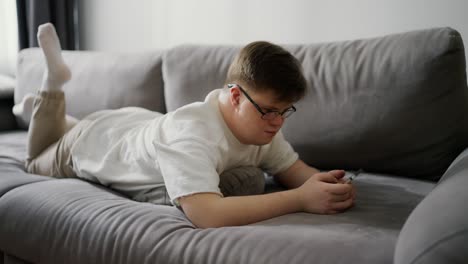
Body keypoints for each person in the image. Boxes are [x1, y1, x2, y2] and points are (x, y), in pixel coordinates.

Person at [13, 23, 356, 229]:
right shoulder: (193, 134)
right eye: (269, 111)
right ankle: (52, 86)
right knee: (35, 159)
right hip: (89, 144)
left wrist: (327, 185)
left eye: (285, 111)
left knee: (249, 179)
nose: (278, 122)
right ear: (235, 96)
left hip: (133, 125)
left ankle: (45, 112)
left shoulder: (262, 126)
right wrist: (299, 200)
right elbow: (206, 214)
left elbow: (295, 171)